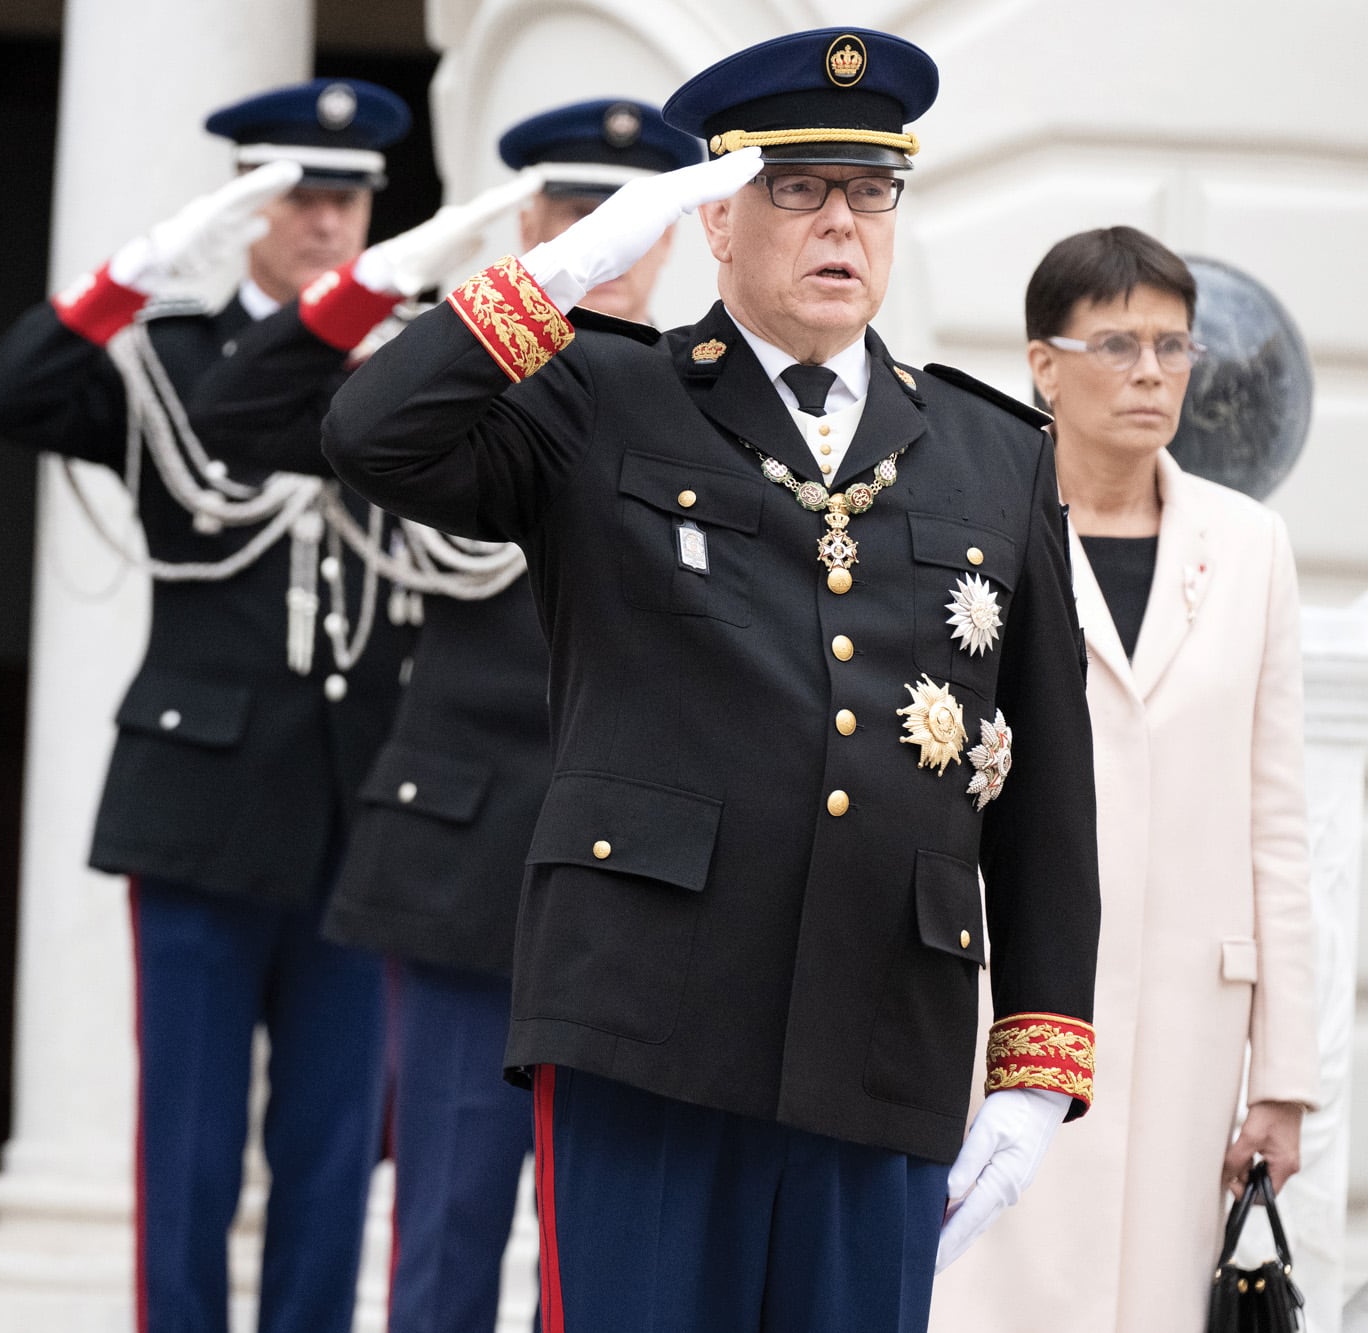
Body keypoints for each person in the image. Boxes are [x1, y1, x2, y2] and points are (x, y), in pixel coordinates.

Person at [320, 27, 1101, 1333]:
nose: (839, 223)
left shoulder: (991, 453)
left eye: (869, 191)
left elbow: (1047, 782)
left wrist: (1035, 1063)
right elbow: (370, 431)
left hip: (884, 1030)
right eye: (798, 190)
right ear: (717, 219)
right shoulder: (601, 399)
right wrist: (559, 271)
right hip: (649, 1019)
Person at [194, 96, 698, 1331]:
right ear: (529, 221)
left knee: (600, 1259)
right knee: (445, 1240)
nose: (610, 240)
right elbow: (240, 414)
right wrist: (387, 280)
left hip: (638, 877)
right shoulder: (446, 372)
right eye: (580, 214)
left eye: (631, 220)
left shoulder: (703, 394)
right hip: (468, 858)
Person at [0, 79, 414, 1333]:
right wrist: (128, 277)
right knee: (191, 1147)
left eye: (349, 197)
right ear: (247, 205)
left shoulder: (401, 365)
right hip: (202, 803)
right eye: (300, 195)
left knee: (334, 1155)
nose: (328, 221)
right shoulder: (168, 362)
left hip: (356, 805)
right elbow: (7, 393)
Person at [927, 226, 1317, 1331]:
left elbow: (1275, 827)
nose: (1150, 374)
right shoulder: (977, 530)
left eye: (1171, 345)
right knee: (985, 1288)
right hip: (1006, 1002)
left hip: (1190, 1026)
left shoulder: (1248, 548)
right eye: (1115, 344)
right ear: (1041, 363)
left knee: (1146, 1301)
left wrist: (1279, 1079)